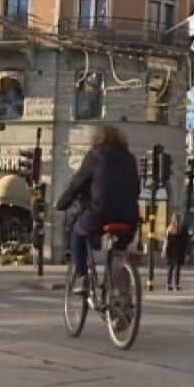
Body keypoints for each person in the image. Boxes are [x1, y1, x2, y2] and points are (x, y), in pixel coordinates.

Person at [54, 125, 141, 294]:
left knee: (77, 234)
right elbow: (136, 188)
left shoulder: (95, 156)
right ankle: (119, 288)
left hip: (100, 214)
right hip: (129, 217)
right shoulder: (130, 158)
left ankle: (82, 278)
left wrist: (61, 204)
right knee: (119, 251)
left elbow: (77, 184)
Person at [164, 215, 188, 291]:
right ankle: (170, 285)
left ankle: (175, 285)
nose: (177, 222)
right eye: (176, 220)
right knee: (172, 268)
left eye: (178, 220)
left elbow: (185, 241)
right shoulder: (171, 229)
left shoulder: (182, 229)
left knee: (176, 268)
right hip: (173, 251)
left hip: (178, 251)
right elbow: (167, 241)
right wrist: (164, 250)